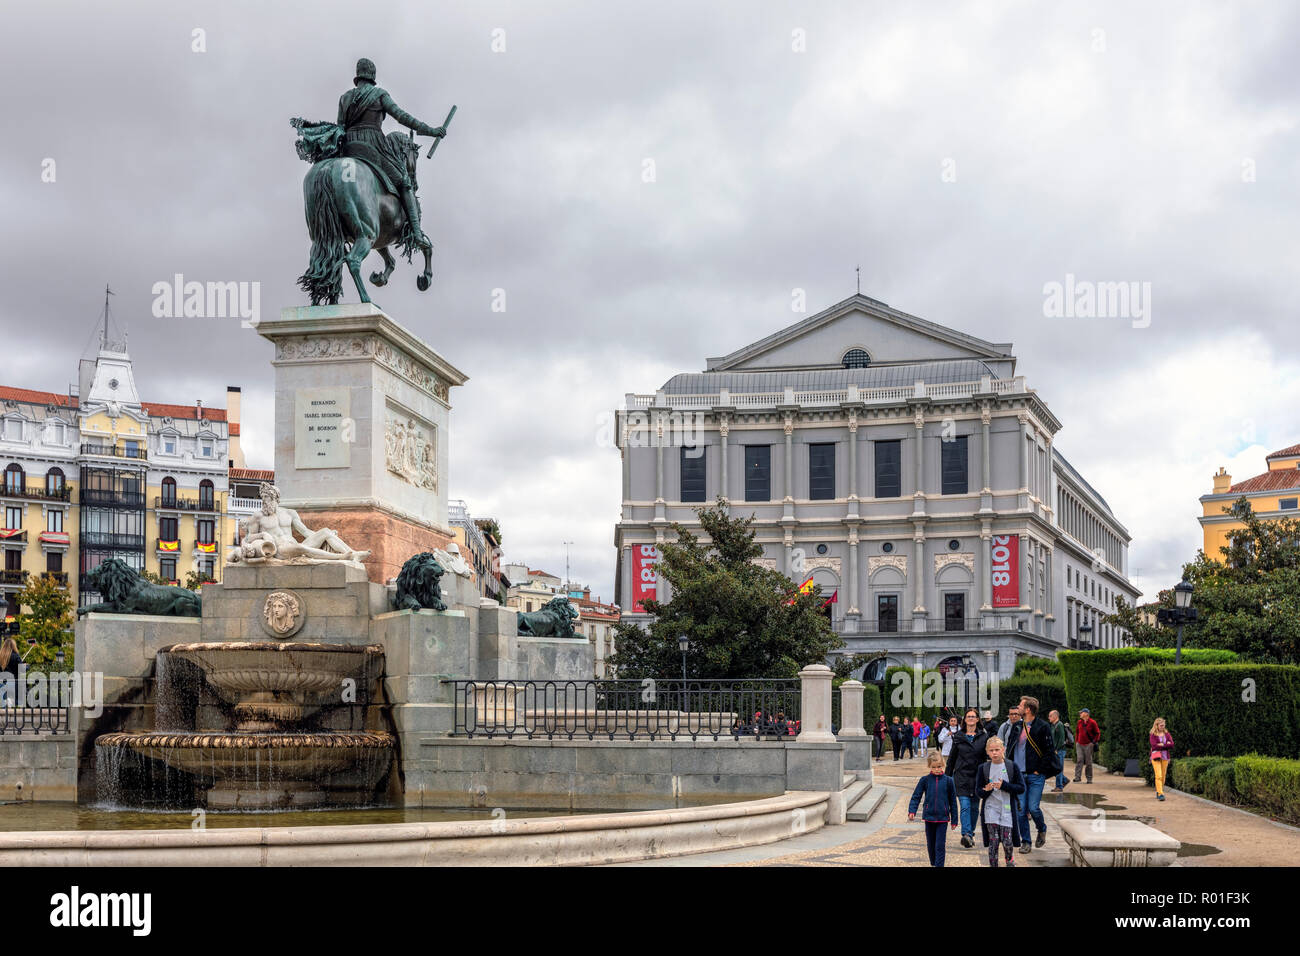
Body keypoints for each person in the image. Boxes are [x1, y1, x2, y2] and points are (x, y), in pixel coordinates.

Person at [1007, 696, 1058, 852]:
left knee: (1033, 808)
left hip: (1035, 775)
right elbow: (1009, 749)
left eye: (1021, 705)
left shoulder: (1042, 727)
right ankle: (1026, 841)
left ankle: (1041, 828)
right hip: (1019, 775)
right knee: (1021, 811)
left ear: (1028, 709)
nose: (1018, 708)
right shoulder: (1016, 727)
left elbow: (1049, 751)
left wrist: (1039, 769)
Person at [977, 735, 1025, 867]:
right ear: (987, 752)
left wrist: (1004, 786)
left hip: (1007, 809)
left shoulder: (1012, 766)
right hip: (990, 809)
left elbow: (1021, 788)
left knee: (1007, 840)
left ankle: (1009, 860)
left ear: (1003, 750)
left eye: (997, 750)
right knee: (994, 840)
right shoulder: (983, 768)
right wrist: (987, 790)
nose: (994, 753)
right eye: (991, 750)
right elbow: (978, 791)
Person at [945, 707, 989, 848]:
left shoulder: (983, 736)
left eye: (973, 716)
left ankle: (970, 834)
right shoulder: (958, 736)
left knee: (975, 808)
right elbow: (952, 758)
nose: (970, 719)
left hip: (977, 777)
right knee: (965, 806)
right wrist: (946, 777)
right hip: (962, 776)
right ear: (964, 720)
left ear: (977, 719)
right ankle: (966, 834)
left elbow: (987, 758)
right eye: (968, 716)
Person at [908, 750, 959, 867]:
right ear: (929, 766)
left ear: (943, 765)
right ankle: (933, 863)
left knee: (940, 845)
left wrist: (954, 820)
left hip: (943, 818)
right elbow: (916, 796)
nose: (937, 769)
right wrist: (912, 811)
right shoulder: (924, 780)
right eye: (934, 767)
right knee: (931, 845)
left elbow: (953, 802)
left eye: (939, 766)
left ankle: (939, 865)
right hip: (929, 817)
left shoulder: (949, 781)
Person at [1150, 718, 1174, 801]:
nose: (1163, 727)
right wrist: (1166, 745)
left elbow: (1172, 745)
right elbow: (1154, 746)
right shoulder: (1153, 734)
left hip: (1165, 757)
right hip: (1156, 757)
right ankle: (1160, 794)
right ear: (1157, 725)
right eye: (1161, 725)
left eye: (1164, 725)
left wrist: (1161, 745)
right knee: (1158, 775)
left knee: (1163, 776)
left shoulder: (1167, 734)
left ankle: (1159, 790)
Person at [1074, 707, 1101, 784]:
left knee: (1088, 762)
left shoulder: (1092, 722)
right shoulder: (1079, 722)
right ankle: (1077, 777)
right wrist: (1076, 742)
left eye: (1081, 712)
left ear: (1086, 714)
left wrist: (1093, 743)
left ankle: (1089, 779)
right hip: (1079, 744)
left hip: (1088, 745)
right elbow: (1077, 732)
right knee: (1079, 760)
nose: (1080, 714)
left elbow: (1097, 733)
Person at [1047, 709, 1070, 792]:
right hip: (1055, 750)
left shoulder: (1059, 725)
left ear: (1055, 716)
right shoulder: (1053, 725)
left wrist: (1056, 749)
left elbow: (1061, 740)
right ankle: (1064, 780)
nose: (1049, 718)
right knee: (1055, 768)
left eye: (1050, 716)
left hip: (1059, 750)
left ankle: (1059, 786)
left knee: (1058, 768)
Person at [0, 637, 19, 707]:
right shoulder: (16, 656)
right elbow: (21, 670)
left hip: (2, 682)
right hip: (13, 682)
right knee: (13, 706)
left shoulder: (0, 656)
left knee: (4, 706)